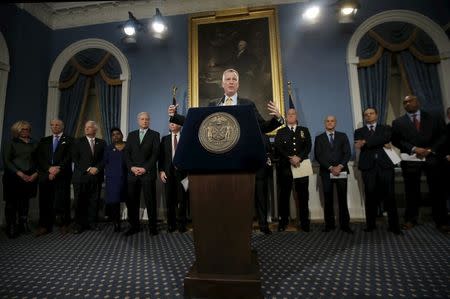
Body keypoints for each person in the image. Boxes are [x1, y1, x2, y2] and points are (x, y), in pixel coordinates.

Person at [391, 95, 449, 233]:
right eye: (404, 102)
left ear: (417, 102)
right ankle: (411, 218)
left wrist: (431, 149)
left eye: (410, 101)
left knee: (437, 191)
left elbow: (443, 135)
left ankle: (441, 221)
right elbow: (396, 141)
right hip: (412, 160)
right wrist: (413, 148)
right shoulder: (398, 122)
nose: (407, 104)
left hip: (433, 159)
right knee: (411, 191)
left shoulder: (434, 116)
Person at [168, 68, 284, 133]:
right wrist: (175, 116)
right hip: (219, 152)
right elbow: (197, 122)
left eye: (234, 79)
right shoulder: (213, 104)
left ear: (238, 85)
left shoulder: (248, 104)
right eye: (228, 79)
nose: (231, 81)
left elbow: (262, 127)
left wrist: (278, 118)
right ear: (223, 84)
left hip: (242, 153)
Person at [354, 108, 401, 235]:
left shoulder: (386, 128)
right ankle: (370, 225)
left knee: (390, 196)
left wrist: (366, 142)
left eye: (371, 113)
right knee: (370, 197)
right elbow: (362, 144)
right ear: (364, 117)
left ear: (377, 114)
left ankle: (394, 226)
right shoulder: (358, 131)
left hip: (385, 167)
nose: (369, 116)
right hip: (368, 168)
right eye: (366, 114)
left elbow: (386, 137)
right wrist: (380, 142)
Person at [275, 108, 312, 232]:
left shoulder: (304, 130)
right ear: (286, 117)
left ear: (296, 116)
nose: (291, 116)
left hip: (301, 166)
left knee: (303, 195)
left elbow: (308, 146)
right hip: (285, 167)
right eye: (289, 114)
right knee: (284, 196)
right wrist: (289, 158)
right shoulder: (281, 132)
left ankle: (304, 222)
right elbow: (278, 147)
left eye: (293, 114)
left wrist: (299, 157)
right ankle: (283, 222)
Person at [314, 115, 353, 233]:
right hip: (326, 172)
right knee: (327, 199)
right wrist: (331, 168)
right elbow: (318, 155)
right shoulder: (319, 138)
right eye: (328, 121)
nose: (330, 123)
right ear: (324, 123)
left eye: (332, 121)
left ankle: (345, 225)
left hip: (341, 171)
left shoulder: (343, 136)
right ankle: (329, 225)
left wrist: (340, 166)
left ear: (335, 123)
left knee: (342, 198)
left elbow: (347, 153)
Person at [35, 119, 73, 236]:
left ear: (62, 126)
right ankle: (44, 226)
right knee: (44, 201)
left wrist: (57, 169)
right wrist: (49, 169)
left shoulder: (70, 140)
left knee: (63, 201)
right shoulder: (44, 140)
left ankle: (64, 224)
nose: (55, 127)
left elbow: (69, 157)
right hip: (46, 175)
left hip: (62, 175)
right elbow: (39, 157)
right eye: (53, 125)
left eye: (57, 125)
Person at [125, 112, 160, 236]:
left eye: (147, 119)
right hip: (133, 174)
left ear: (149, 121)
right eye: (142, 119)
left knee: (150, 201)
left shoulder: (155, 135)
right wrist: (132, 168)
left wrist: (144, 168)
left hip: (147, 173)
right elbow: (127, 154)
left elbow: (155, 155)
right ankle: (134, 226)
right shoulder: (131, 135)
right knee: (132, 201)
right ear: (138, 120)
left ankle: (153, 227)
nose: (145, 121)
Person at [2, 120, 38, 238]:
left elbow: (39, 160)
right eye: (22, 129)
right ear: (17, 130)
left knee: (25, 202)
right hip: (13, 176)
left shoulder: (35, 143)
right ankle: (11, 226)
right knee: (11, 202)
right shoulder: (10, 143)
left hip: (30, 176)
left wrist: (35, 174)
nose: (25, 131)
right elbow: (7, 161)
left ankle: (23, 224)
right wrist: (19, 173)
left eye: (27, 129)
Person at [71, 121, 106, 234]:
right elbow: (75, 159)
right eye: (86, 127)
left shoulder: (102, 143)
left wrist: (97, 168)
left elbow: (104, 159)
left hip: (96, 176)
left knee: (94, 201)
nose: (87, 129)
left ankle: (92, 223)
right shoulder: (77, 141)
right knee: (80, 201)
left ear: (95, 130)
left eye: (90, 127)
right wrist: (88, 169)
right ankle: (78, 225)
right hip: (81, 176)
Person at [159, 122, 189, 233]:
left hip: (183, 174)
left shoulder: (185, 138)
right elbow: (161, 157)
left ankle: (182, 224)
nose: (172, 124)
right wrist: (161, 171)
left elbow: (189, 156)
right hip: (168, 174)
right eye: (170, 123)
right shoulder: (165, 139)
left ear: (180, 126)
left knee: (182, 200)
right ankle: (171, 225)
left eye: (174, 123)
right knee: (169, 200)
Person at [104, 127, 127, 232]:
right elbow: (104, 163)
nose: (116, 136)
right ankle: (116, 224)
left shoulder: (129, 146)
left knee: (130, 201)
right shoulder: (108, 148)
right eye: (113, 135)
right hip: (113, 179)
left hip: (127, 178)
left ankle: (133, 223)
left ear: (122, 135)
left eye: (118, 134)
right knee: (114, 203)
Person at [254, 134, 273, 235]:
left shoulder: (264, 137)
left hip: (261, 174)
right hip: (244, 176)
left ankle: (263, 226)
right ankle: (243, 227)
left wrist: (268, 161)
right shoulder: (241, 134)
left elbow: (269, 153)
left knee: (262, 201)